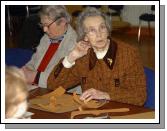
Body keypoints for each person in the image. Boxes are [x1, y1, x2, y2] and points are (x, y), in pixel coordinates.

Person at [47, 7, 147, 106]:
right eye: (92, 30)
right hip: (92, 115)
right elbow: (53, 86)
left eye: (102, 27)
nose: (99, 34)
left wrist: (106, 95)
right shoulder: (83, 57)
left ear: (108, 30)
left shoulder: (128, 54)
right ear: (85, 36)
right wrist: (71, 58)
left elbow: (139, 96)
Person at [21, 5, 77, 88]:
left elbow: (64, 79)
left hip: (55, 91)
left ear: (62, 21)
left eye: (47, 25)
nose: (44, 29)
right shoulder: (47, 37)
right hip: (36, 84)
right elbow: (33, 62)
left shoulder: (75, 44)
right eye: (42, 25)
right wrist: (24, 71)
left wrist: (34, 77)